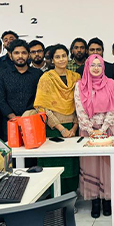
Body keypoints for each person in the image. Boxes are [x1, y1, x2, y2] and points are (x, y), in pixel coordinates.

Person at [74, 54, 114, 218]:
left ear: (103, 67)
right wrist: (91, 130)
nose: (95, 68)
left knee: (107, 165)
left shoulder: (111, 83)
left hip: (108, 130)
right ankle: (94, 200)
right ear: (87, 67)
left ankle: (107, 200)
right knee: (91, 165)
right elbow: (79, 109)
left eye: (99, 65)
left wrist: (103, 128)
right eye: (92, 65)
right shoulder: (80, 85)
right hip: (88, 132)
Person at [34, 44, 81, 194]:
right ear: (52, 60)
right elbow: (42, 107)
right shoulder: (46, 78)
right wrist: (61, 129)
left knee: (71, 165)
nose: (61, 59)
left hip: (72, 129)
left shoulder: (76, 78)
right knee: (53, 166)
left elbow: (79, 104)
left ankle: (70, 198)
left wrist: (74, 127)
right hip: (53, 128)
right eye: (57, 57)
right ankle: (54, 199)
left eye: (64, 56)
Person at [0, 39, 42, 134]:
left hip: (33, 121)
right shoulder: (2, 75)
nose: (20, 56)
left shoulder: (38, 74)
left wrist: (28, 117)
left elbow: (41, 98)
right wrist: (13, 117)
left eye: (24, 53)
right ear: (11, 56)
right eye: (16, 53)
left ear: (28, 55)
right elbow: (0, 100)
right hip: (9, 123)